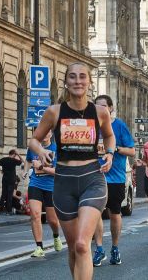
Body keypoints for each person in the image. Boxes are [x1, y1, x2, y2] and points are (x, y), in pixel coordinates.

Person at [28, 62, 115, 280]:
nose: (78, 81)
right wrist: (41, 151)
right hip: (64, 182)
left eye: (82, 77)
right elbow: (34, 140)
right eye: (73, 77)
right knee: (72, 247)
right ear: (66, 82)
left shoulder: (100, 112)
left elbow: (109, 136)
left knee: (82, 245)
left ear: (89, 82)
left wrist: (110, 153)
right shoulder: (54, 112)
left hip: (92, 179)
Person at [93, 95, 135, 266]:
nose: (100, 110)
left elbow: (132, 151)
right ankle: (99, 248)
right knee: (95, 212)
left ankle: (115, 248)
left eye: (103, 106)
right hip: (95, 176)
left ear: (110, 108)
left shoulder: (119, 126)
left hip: (115, 177)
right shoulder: (92, 126)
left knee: (114, 213)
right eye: (97, 106)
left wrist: (115, 149)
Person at [24, 131, 63, 258]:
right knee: (35, 215)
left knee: (52, 220)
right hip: (35, 184)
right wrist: (25, 171)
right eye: (43, 132)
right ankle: (39, 247)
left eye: (47, 132)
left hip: (51, 187)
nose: (45, 134)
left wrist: (42, 167)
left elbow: (58, 172)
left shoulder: (56, 149)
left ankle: (56, 236)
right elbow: (28, 160)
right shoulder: (34, 147)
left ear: (51, 134)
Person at [0, 150, 23, 215]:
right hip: (11, 179)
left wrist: (0, 170)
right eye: (15, 155)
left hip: (5, 179)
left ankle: (1, 209)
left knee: (3, 194)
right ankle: (9, 210)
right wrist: (18, 154)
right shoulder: (13, 160)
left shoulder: (4, 159)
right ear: (14, 154)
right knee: (9, 195)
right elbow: (22, 161)